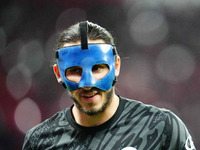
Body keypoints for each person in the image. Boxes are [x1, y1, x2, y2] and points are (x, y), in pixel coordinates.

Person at [22, 21, 196, 150]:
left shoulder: (162, 127)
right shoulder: (39, 141)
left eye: (97, 68)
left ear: (116, 66)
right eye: (75, 70)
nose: (88, 83)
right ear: (58, 74)